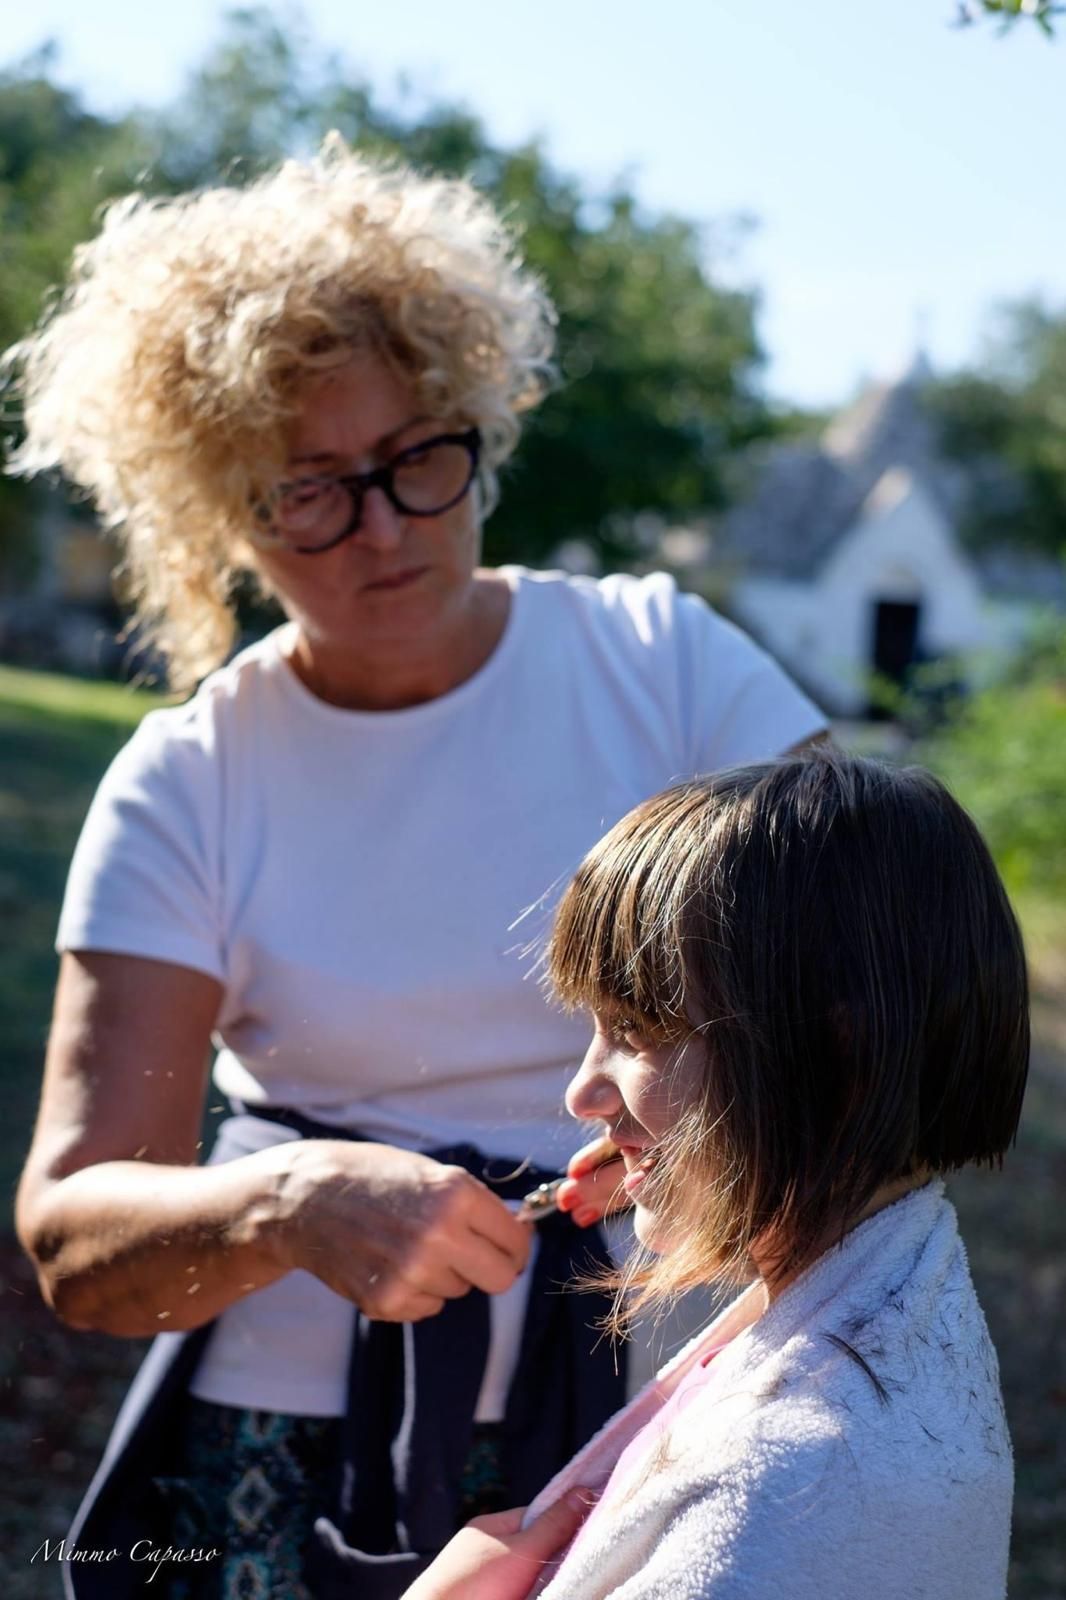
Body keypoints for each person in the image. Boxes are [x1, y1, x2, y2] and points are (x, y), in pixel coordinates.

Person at [10, 138, 826, 1598]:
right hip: (281, 1437)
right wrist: (286, 1206)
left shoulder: (662, 666)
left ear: (476, 423)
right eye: (307, 489)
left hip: (649, 1394)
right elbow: (76, 1238)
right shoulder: (195, 776)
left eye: (413, 460)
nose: (380, 527)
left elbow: (884, 957)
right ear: (219, 519)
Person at [404, 752, 1029, 1600]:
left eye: (636, 1030)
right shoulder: (884, 1323)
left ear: (829, 1058)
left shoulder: (790, 1486)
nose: (583, 1092)